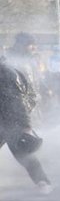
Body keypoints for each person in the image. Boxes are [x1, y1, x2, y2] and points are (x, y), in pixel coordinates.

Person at [0, 58, 51, 192]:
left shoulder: (4, 74)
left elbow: (16, 102)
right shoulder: (7, 69)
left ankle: (42, 182)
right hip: (8, 119)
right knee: (22, 153)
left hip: (10, 120)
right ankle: (42, 182)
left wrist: (25, 125)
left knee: (22, 153)